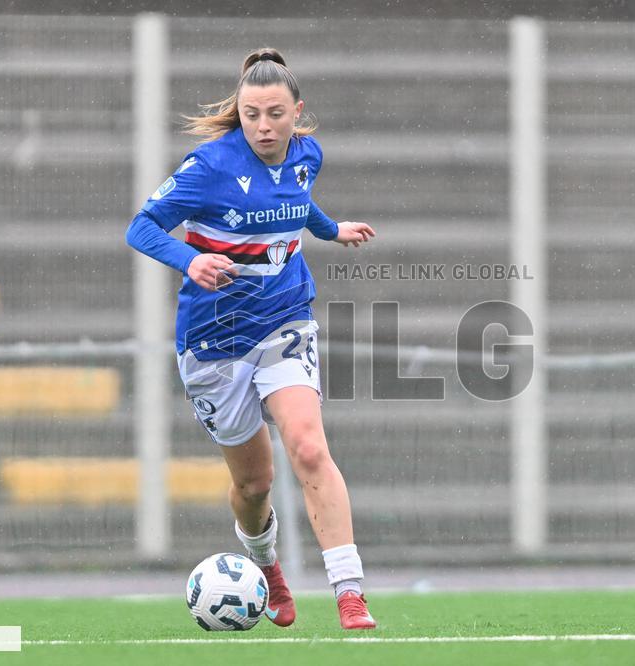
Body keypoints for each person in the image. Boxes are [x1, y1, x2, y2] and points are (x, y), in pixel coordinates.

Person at [126, 47, 378, 630]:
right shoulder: (209, 166)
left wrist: (329, 228)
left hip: (285, 318)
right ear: (237, 113)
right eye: (251, 115)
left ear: (297, 112)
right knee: (252, 483)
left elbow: (296, 201)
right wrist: (190, 262)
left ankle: (348, 590)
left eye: (275, 114)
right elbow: (140, 227)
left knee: (310, 446)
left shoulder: (307, 155)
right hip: (214, 340)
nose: (264, 126)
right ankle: (266, 568)